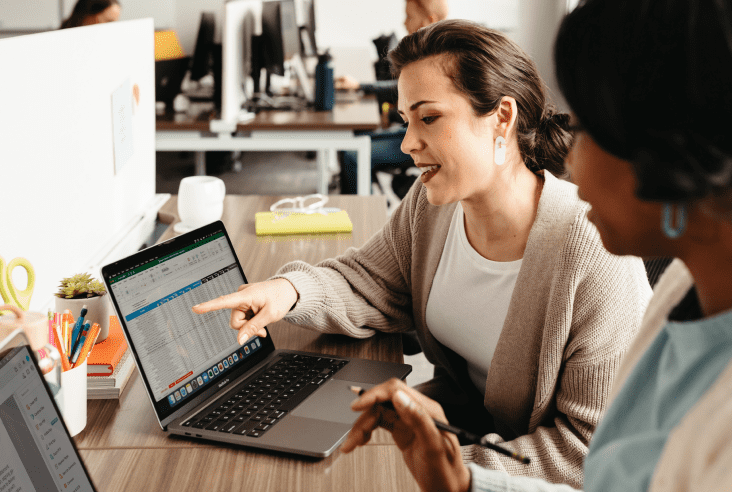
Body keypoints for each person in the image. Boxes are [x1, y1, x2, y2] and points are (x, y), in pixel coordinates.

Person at [339, 0, 732, 491]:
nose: (573, 163)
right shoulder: (693, 285)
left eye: (592, 129)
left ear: (681, 145)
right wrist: (468, 483)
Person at [193, 19, 652, 487]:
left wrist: (439, 465)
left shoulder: (593, 253)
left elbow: (590, 452)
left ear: (502, 118)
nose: (409, 144)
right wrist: (287, 290)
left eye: (428, 118)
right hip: (464, 439)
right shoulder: (433, 207)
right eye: (406, 122)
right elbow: (369, 281)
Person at [336, 0, 450, 195]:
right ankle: (367, 195)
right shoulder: (426, 52)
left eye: (409, 16)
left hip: (424, 140)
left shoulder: (439, 58)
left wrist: (360, 86)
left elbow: (399, 90)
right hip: (409, 130)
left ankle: (361, 214)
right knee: (349, 141)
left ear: (428, 20)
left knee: (353, 155)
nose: (404, 23)